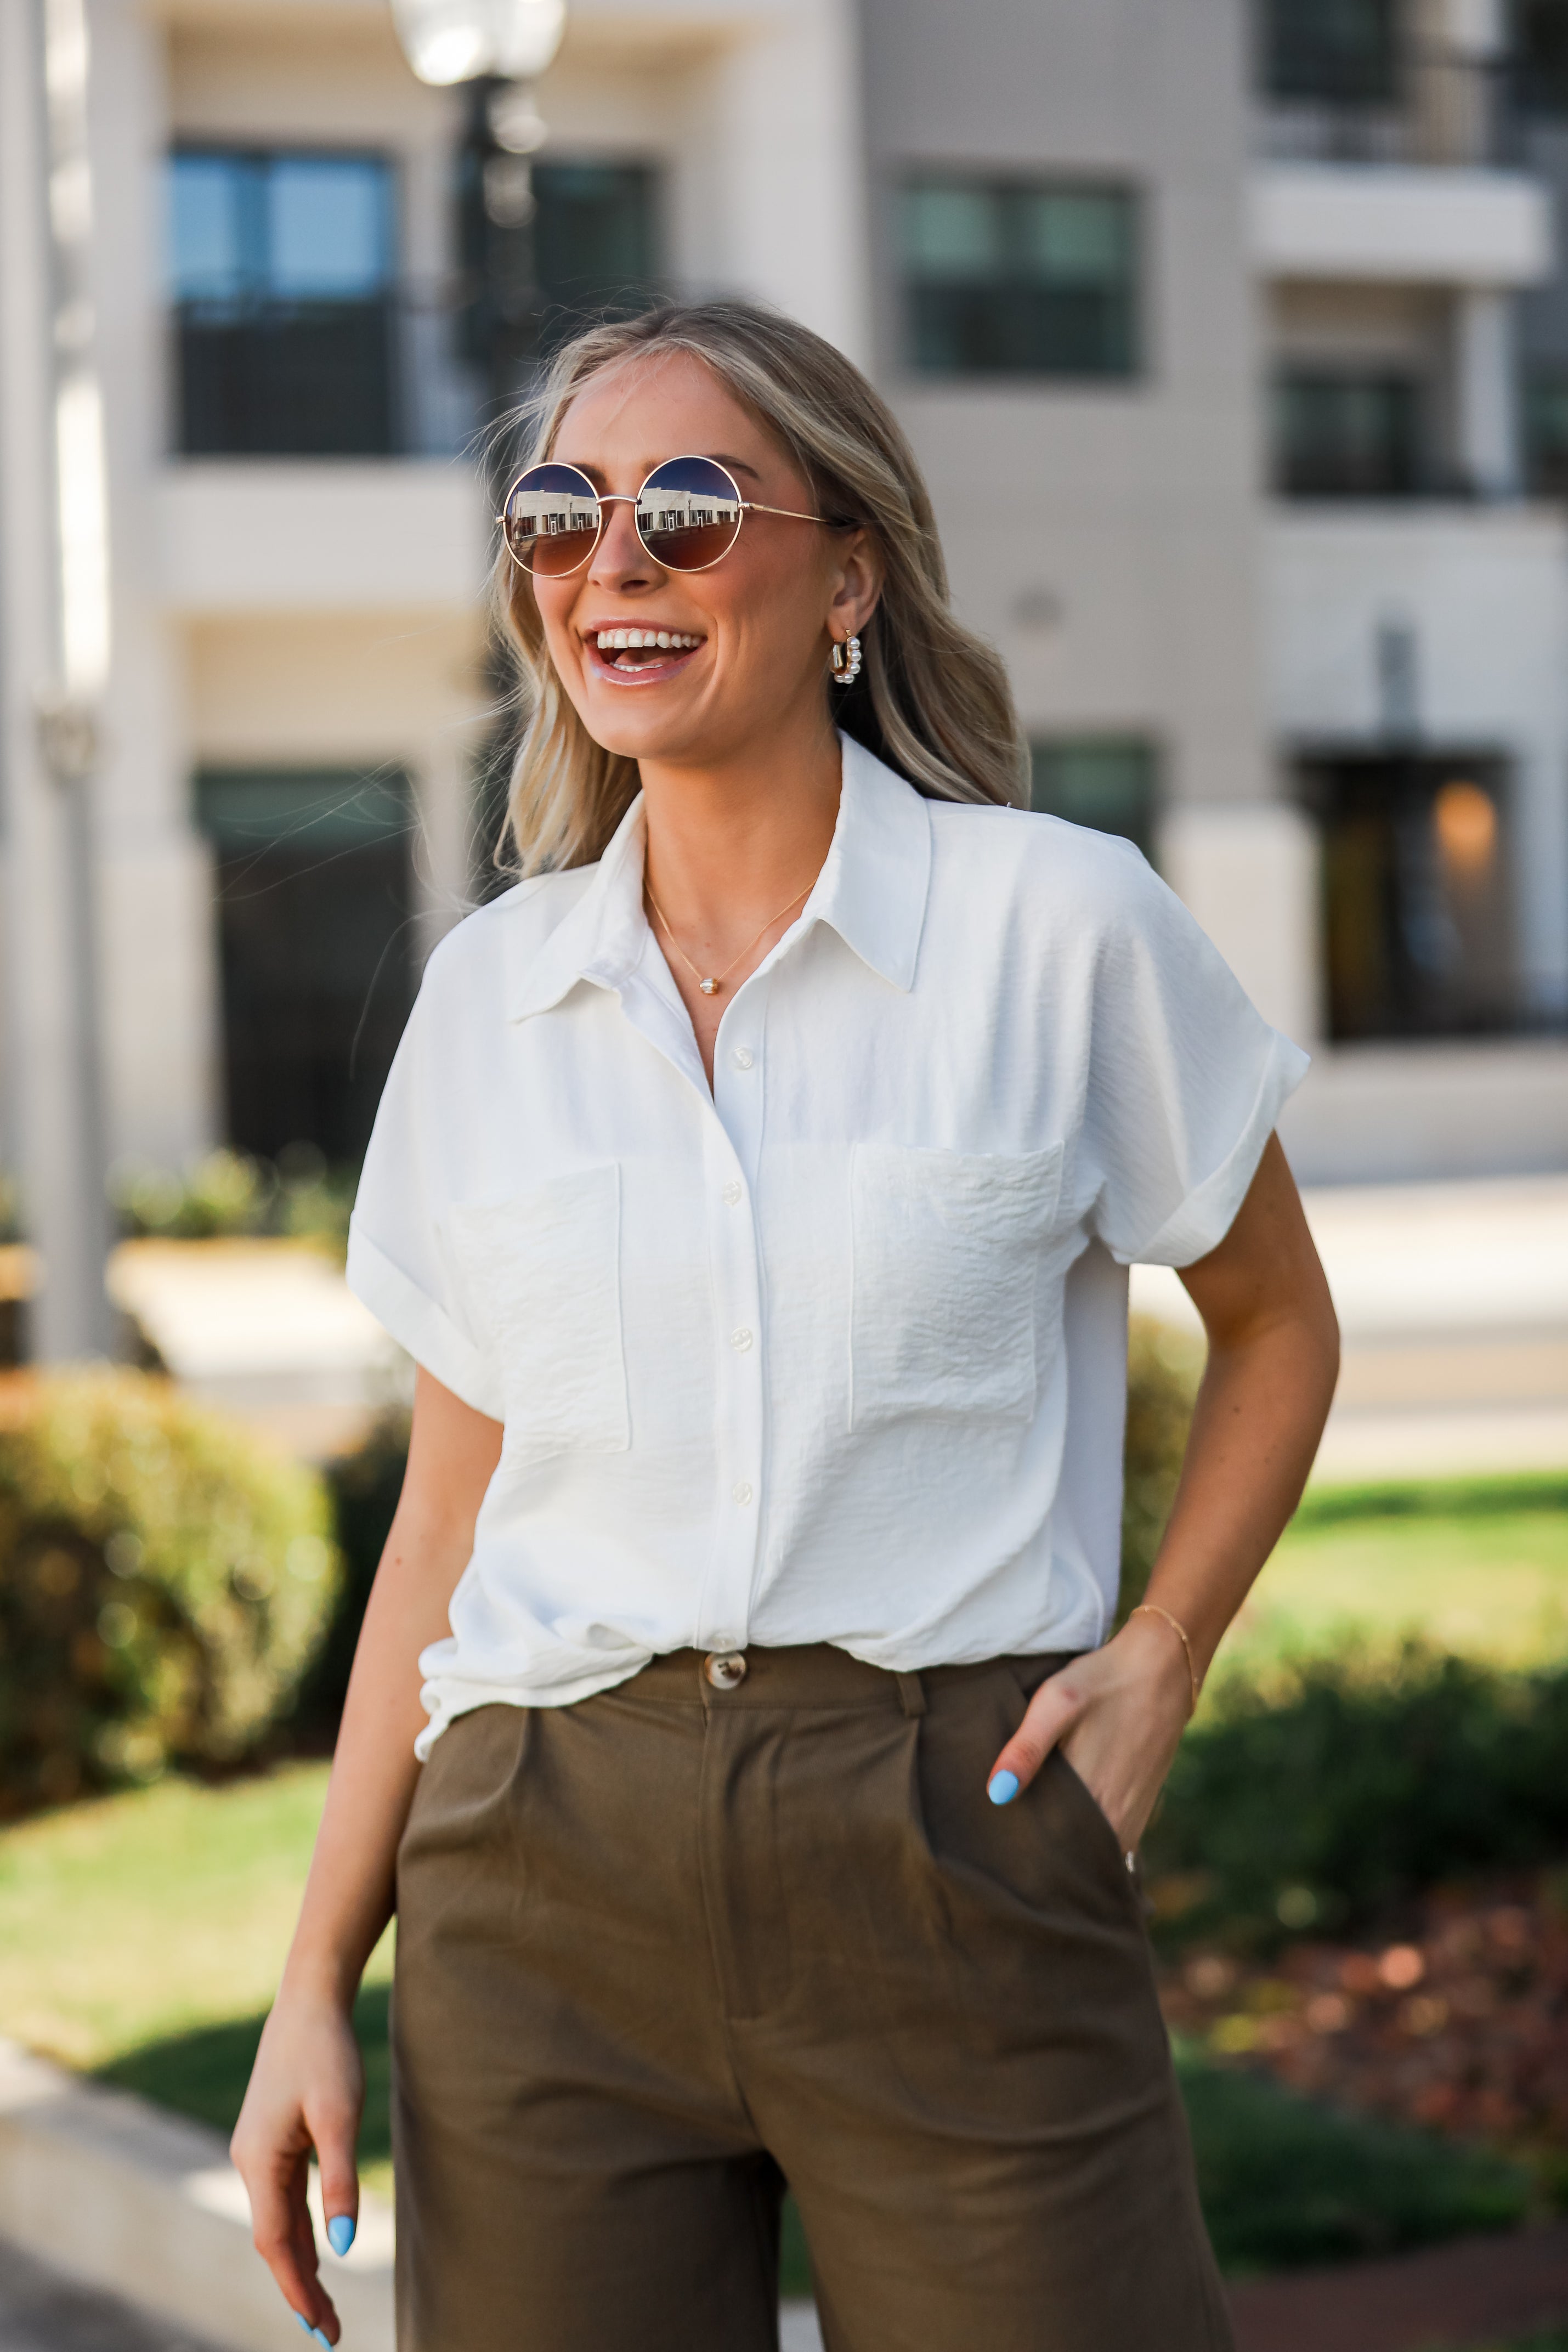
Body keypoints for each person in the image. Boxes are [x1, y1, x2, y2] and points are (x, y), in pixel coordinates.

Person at [230, 298, 1339, 2352]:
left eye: (689, 505)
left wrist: (1162, 1654)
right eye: (559, 514)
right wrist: (317, 1980)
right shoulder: (490, 999)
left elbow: (1276, 1322)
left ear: (848, 572)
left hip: (952, 1843)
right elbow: (446, 1528)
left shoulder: (1057, 928)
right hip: (539, 1877)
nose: (611, 562)